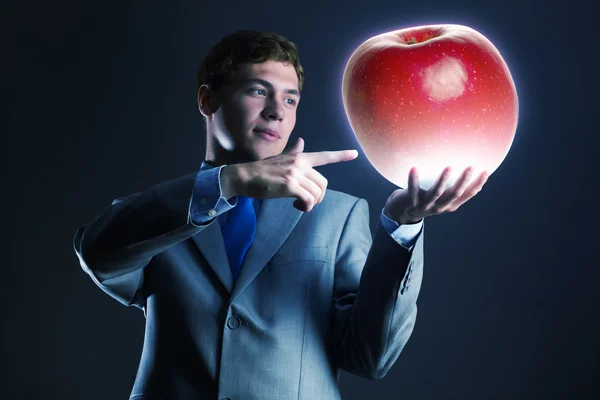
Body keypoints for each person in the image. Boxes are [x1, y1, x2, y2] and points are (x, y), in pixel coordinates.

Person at [73, 30, 488, 400]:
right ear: (207, 99)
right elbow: (99, 254)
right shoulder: (163, 214)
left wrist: (403, 225)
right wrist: (228, 182)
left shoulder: (338, 215)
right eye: (258, 91)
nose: (277, 110)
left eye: (290, 99)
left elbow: (368, 357)